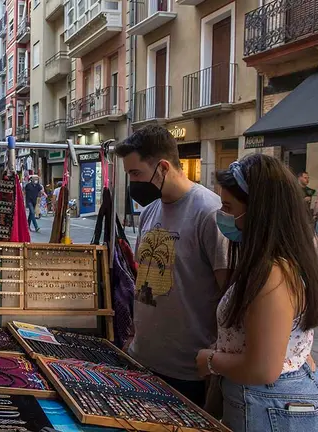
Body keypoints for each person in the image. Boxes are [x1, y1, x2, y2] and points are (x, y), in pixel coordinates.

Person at [196, 154, 318, 431]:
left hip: (272, 407)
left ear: (258, 211)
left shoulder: (273, 275)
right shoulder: (276, 262)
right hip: (276, 401)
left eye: (228, 206)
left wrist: (210, 360)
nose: (221, 215)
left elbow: (263, 369)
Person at [115, 125, 229, 406]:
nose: (132, 182)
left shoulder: (209, 212)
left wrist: (215, 362)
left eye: (136, 174)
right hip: (144, 360)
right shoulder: (150, 212)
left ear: (163, 167)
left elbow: (229, 293)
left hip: (189, 372)